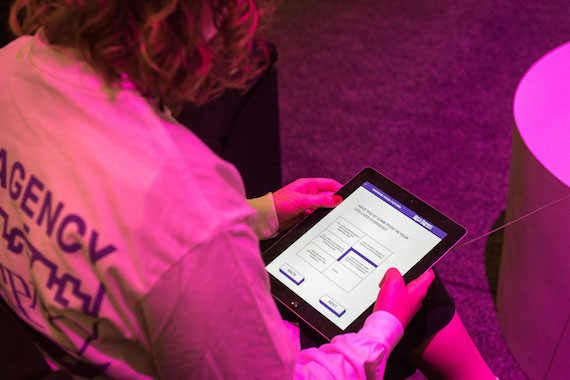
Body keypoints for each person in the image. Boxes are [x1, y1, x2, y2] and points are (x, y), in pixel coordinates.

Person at [0, 0, 496, 378]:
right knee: (398, 293)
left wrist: (262, 212)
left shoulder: (12, 65)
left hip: (60, 342)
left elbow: (107, 218)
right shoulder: (184, 196)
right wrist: (381, 332)